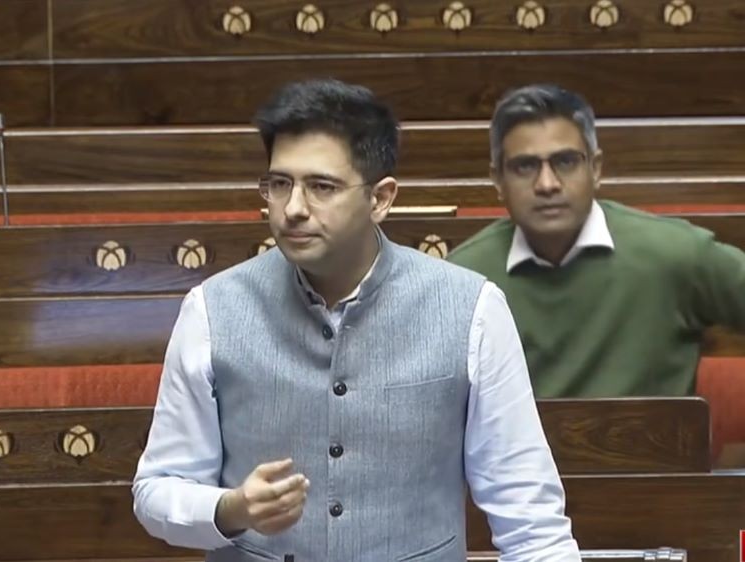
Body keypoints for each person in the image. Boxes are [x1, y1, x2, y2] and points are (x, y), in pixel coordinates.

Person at [132, 78, 580, 562]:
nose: (293, 209)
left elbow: (531, 522)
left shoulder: (473, 310)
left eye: (321, 187)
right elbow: (157, 489)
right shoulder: (211, 309)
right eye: (279, 184)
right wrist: (230, 508)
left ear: (380, 198)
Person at [448, 84, 745, 398]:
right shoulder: (462, 281)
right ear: (498, 180)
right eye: (525, 166)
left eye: (565, 161)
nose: (547, 184)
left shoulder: (675, 254)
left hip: (648, 432)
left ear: (595, 168)